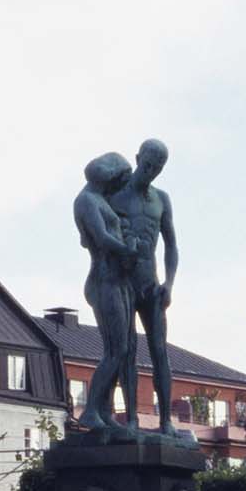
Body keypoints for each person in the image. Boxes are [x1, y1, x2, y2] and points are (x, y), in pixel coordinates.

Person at [109, 139, 181, 436]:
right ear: (138, 158)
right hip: (125, 282)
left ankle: (165, 421)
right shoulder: (114, 197)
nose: (151, 171)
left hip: (151, 284)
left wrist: (170, 284)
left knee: (159, 351)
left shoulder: (161, 199)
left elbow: (172, 245)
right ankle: (132, 420)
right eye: (148, 164)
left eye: (157, 168)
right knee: (127, 351)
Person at [71, 152, 140, 439]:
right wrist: (127, 250)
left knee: (122, 350)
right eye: (121, 178)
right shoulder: (86, 200)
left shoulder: (100, 201)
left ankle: (104, 411)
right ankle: (91, 410)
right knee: (114, 350)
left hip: (117, 280)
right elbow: (100, 237)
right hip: (104, 281)